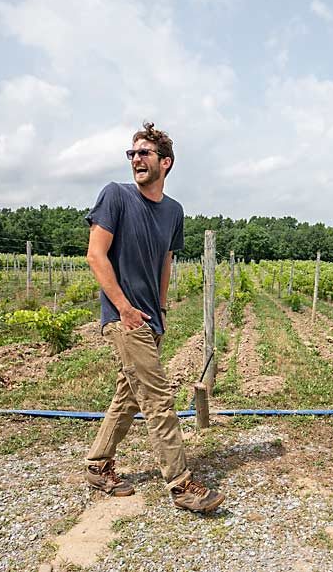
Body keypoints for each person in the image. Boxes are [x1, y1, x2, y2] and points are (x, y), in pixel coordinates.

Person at [83, 121, 224, 513]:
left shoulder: (174, 211)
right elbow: (96, 255)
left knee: (127, 397)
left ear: (167, 163)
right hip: (123, 317)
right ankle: (181, 485)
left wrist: (159, 308)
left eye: (144, 153)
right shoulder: (115, 196)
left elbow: (166, 259)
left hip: (150, 318)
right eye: (132, 153)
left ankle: (97, 464)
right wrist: (125, 310)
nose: (136, 159)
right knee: (159, 398)